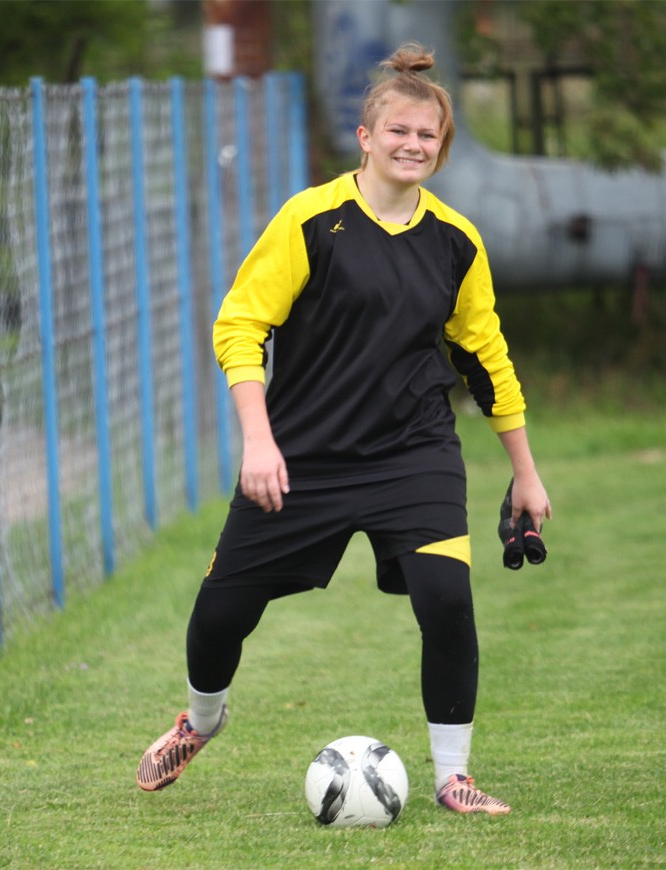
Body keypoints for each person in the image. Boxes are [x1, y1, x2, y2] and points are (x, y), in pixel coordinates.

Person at [136, 42, 551, 816]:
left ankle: (452, 777)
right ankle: (201, 720)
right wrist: (259, 440)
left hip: (413, 454)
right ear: (366, 137)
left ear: (441, 147)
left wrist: (524, 473)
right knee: (222, 614)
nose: (413, 145)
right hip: (303, 456)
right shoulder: (310, 220)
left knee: (446, 599)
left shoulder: (456, 241)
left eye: (428, 135)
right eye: (399, 131)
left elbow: (485, 356)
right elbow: (240, 325)